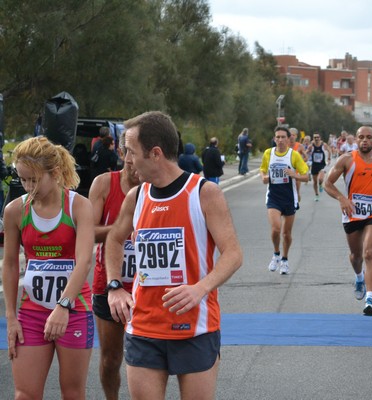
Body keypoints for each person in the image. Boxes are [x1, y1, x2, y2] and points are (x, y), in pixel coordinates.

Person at [104, 111, 243, 400]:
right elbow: (114, 239)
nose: (126, 160)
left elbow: (233, 254)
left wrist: (200, 289)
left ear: (155, 153)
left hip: (194, 327)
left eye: (130, 151)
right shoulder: (137, 197)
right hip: (144, 326)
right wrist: (114, 286)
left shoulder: (204, 193)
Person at [2, 136, 95, 399]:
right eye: (22, 179)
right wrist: (11, 317)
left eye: (34, 179)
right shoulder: (14, 211)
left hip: (74, 309)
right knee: (25, 394)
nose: (28, 186)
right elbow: (9, 264)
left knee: (72, 393)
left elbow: (84, 260)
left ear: (54, 173)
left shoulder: (78, 206)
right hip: (32, 311)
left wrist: (63, 306)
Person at [324, 126, 372, 316]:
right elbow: (327, 183)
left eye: (369, 137)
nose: (365, 140)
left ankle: (370, 299)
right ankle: (359, 277)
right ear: (356, 140)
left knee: (369, 253)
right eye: (361, 137)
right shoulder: (347, 160)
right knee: (356, 256)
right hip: (351, 212)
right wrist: (342, 198)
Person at [88, 132, 140, 400]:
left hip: (147, 286)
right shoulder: (104, 184)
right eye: (131, 157)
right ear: (122, 155)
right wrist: (121, 230)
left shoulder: (157, 186)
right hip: (108, 283)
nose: (136, 167)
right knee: (111, 360)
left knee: (148, 361)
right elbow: (88, 231)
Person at [260, 126, 309, 275]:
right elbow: (263, 170)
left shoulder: (293, 155)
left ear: (288, 139)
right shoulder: (268, 153)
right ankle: (276, 254)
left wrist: (294, 175)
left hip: (289, 198)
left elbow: (306, 176)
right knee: (276, 228)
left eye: (283, 137)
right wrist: (264, 178)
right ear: (274, 139)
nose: (280, 140)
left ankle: (285, 259)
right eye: (277, 137)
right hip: (273, 197)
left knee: (286, 233)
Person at [307, 132, 331, 201]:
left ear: (320, 138)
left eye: (318, 137)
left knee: (320, 179)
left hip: (322, 165)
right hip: (314, 165)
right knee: (314, 182)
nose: (316, 139)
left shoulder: (324, 145)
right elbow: (306, 152)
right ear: (313, 138)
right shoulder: (311, 146)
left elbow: (329, 151)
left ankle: (320, 184)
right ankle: (316, 194)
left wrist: (329, 159)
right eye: (315, 137)